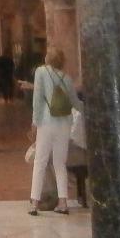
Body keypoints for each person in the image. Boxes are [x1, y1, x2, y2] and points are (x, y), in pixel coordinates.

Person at [27, 47, 76, 215]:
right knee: (60, 163)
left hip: (47, 123)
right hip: (64, 124)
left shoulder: (41, 72)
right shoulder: (67, 78)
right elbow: (75, 103)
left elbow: (38, 100)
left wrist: (34, 123)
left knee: (40, 161)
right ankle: (63, 202)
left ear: (47, 58)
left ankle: (34, 202)